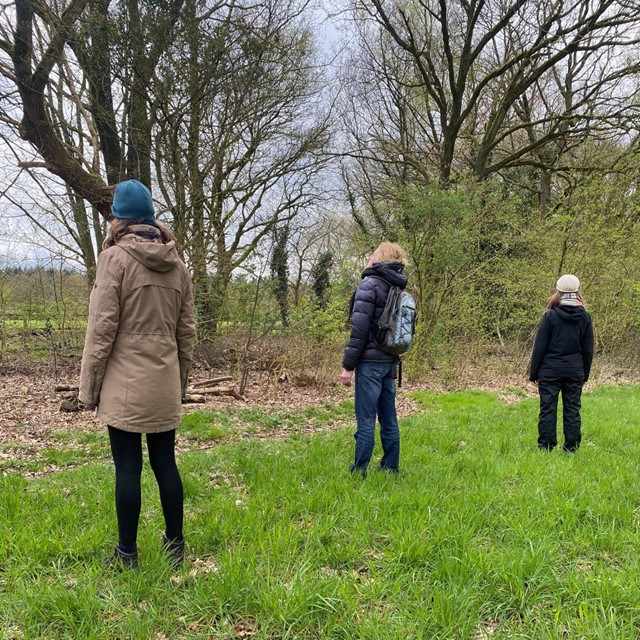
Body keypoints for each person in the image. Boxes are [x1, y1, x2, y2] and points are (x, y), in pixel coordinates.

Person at [79, 179, 196, 569]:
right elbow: (187, 332)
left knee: (128, 467)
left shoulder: (114, 259)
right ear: (151, 217)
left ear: (119, 218)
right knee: (166, 463)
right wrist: (179, 383)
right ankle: (175, 546)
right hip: (163, 380)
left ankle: (127, 553)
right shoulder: (178, 264)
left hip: (124, 383)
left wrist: (88, 389)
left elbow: (101, 330)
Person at [341, 242, 408, 475]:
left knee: (366, 418)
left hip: (369, 364)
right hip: (390, 360)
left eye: (373, 253)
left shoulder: (368, 285)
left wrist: (348, 365)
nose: (369, 256)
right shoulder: (397, 287)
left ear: (379, 259)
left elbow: (358, 330)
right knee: (389, 418)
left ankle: (359, 470)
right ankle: (390, 468)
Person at [529, 274, 594, 452]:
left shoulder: (549, 315)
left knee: (547, 408)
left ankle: (546, 446)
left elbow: (539, 347)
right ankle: (571, 448)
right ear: (577, 291)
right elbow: (588, 351)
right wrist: (584, 375)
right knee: (572, 409)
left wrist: (533, 374)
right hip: (574, 371)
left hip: (550, 370)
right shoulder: (585, 317)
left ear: (558, 290)